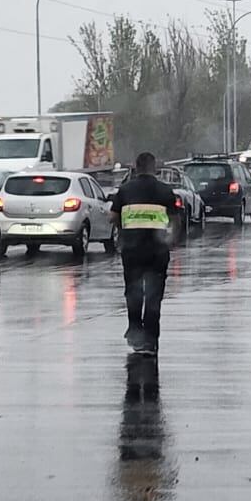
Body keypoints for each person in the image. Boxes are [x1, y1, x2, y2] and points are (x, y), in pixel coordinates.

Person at [110, 151, 179, 356]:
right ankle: (150, 338)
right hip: (157, 252)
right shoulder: (165, 191)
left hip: (132, 251)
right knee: (154, 295)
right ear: (154, 167)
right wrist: (171, 240)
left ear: (135, 167)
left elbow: (112, 218)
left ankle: (134, 330)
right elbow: (175, 221)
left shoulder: (125, 190)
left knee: (133, 291)